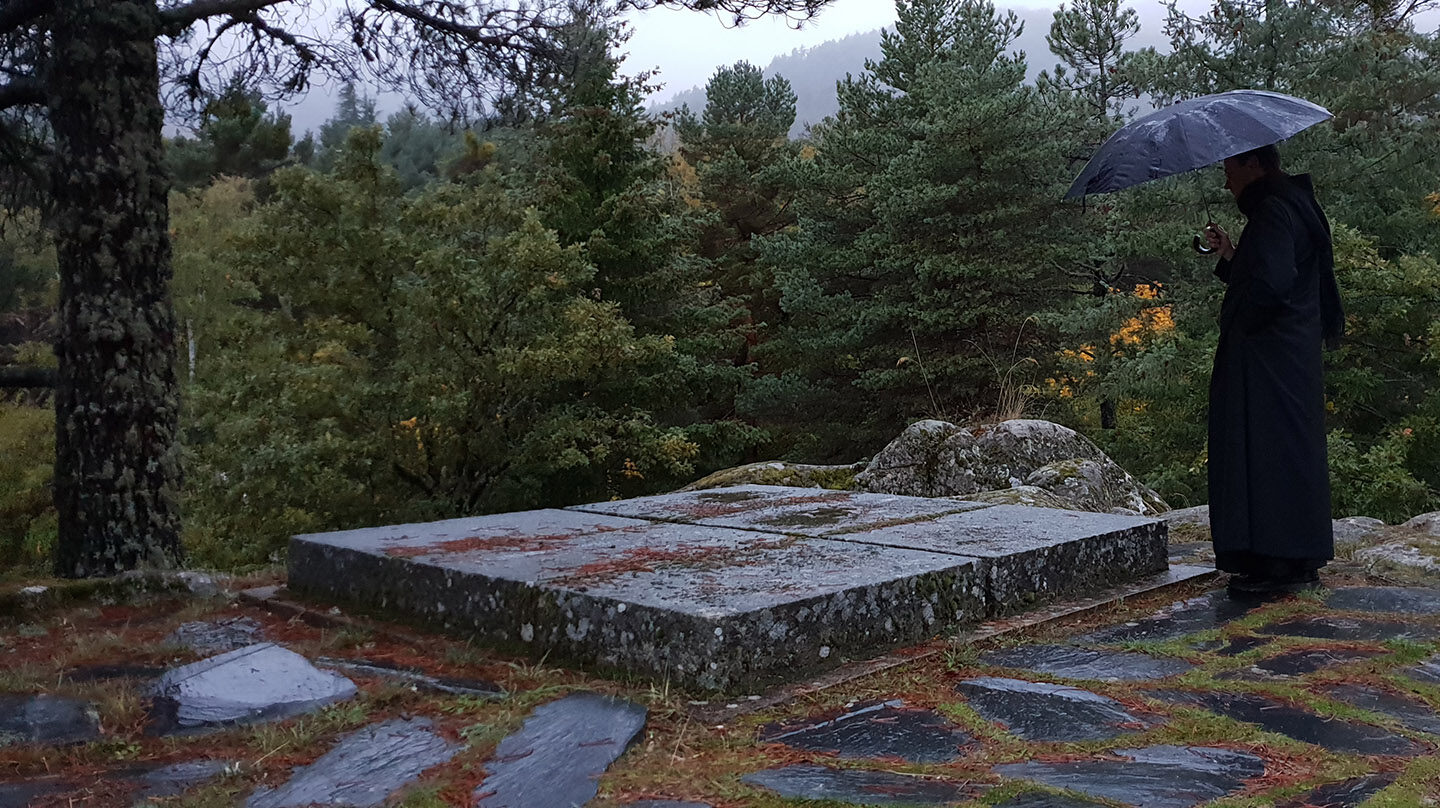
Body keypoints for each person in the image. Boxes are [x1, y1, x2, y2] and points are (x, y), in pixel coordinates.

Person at [1203, 144, 1344, 595]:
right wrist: (1232, 255)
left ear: (1254, 164)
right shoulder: (1293, 203)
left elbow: (1272, 284)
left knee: (1266, 453)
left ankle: (1275, 564)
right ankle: (1294, 558)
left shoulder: (1271, 212)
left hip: (1268, 360)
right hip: (1291, 354)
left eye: (1230, 169)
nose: (1227, 181)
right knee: (1288, 450)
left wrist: (1243, 323)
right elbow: (1283, 270)